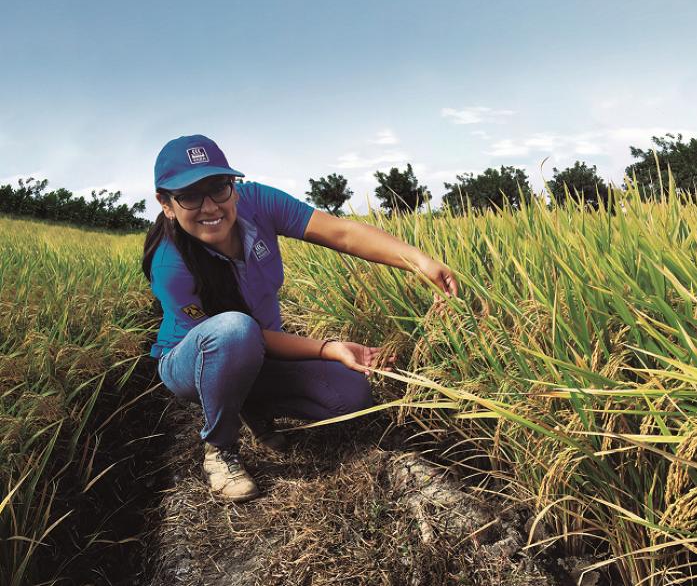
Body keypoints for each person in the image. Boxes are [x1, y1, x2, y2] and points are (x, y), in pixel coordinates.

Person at [141, 134, 459, 502]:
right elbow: (242, 336)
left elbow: (341, 232)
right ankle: (220, 449)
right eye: (190, 196)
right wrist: (327, 348)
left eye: (218, 188)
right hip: (192, 362)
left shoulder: (258, 202)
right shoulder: (170, 264)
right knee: (234, 330)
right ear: (166, 204)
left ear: (234, 187)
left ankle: (250, 403)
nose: (210, 206)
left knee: (350, 395)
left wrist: (418, 261)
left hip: (258, 351)